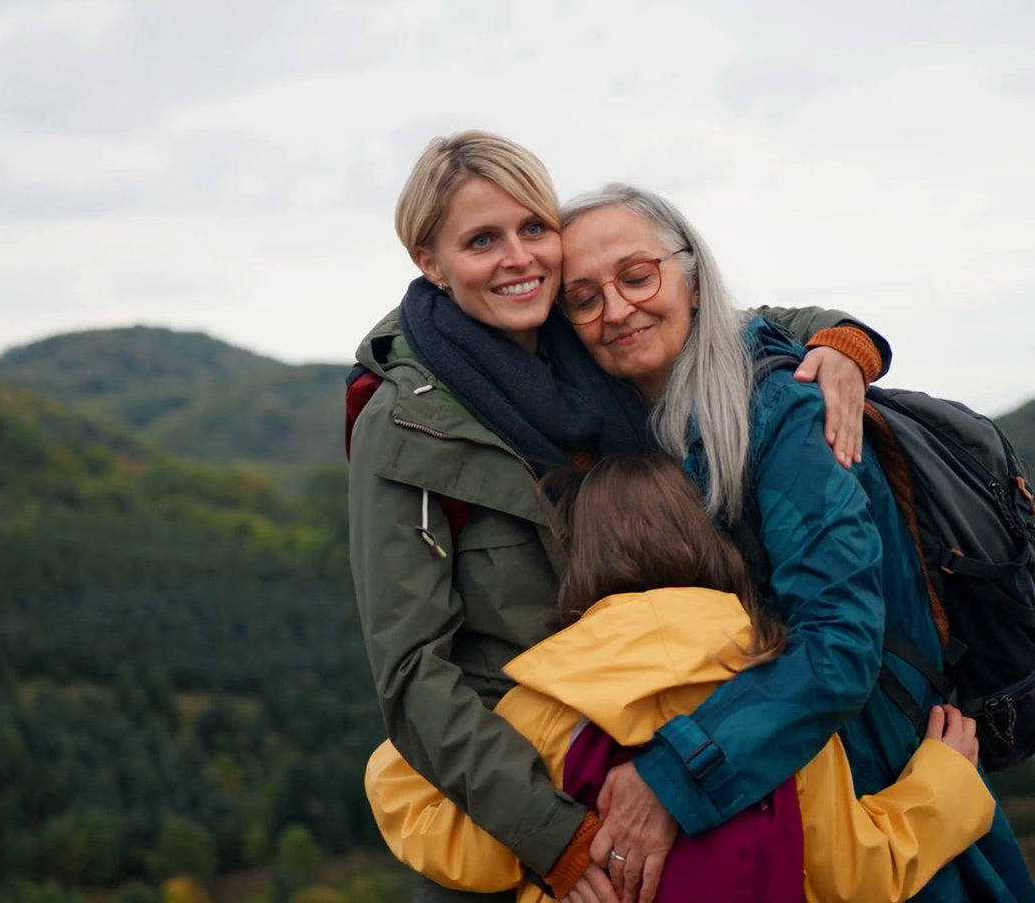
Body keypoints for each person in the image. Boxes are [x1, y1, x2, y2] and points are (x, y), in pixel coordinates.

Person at [348, 132, 893, 903]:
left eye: (533, 228)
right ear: (430, 262)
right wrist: (554, 837)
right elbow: (412, 675)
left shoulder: (578, 338)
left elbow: (714, 313)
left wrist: (840, 338)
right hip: (525, 807)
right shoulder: (409, 424)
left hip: (675, 755)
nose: (517, 258)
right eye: (481, 240)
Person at [556, 184, 1035, 903]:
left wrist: (672, 778)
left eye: (636, 276)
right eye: (584, 297)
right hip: (768, 800)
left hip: (878, 798)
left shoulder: (783, 412)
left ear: (691, 278)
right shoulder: (628, 433)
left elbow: (841, 643)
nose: (617, 309)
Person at [365, 451, 998, 903]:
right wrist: (945, 778)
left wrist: (409, 747)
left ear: (575, 562)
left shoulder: (541, 706)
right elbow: (856, 874)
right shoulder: (775, 699)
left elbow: (465, 848)